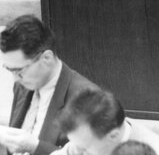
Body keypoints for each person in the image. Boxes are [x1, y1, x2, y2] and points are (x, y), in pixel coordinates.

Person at [0, 15, 97, 155]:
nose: (15, 79)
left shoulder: (88, 98)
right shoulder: (23, 83)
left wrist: (35, 147)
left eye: (19, 70)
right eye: (9, 69)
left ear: (47, 58)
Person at [53, 89, 159, 155]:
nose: (78, 152)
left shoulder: (157, 152)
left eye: (84, 149)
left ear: (113, 136)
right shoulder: (84, 140)